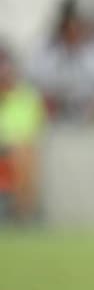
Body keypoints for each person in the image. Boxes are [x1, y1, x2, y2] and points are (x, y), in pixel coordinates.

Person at [0, 44, 46, 223]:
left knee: (25, 156)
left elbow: (35, 128)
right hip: (6, 147)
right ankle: (22, 213)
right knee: (22, 155)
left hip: (19, 147)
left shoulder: (27, 96)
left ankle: (23, 212)